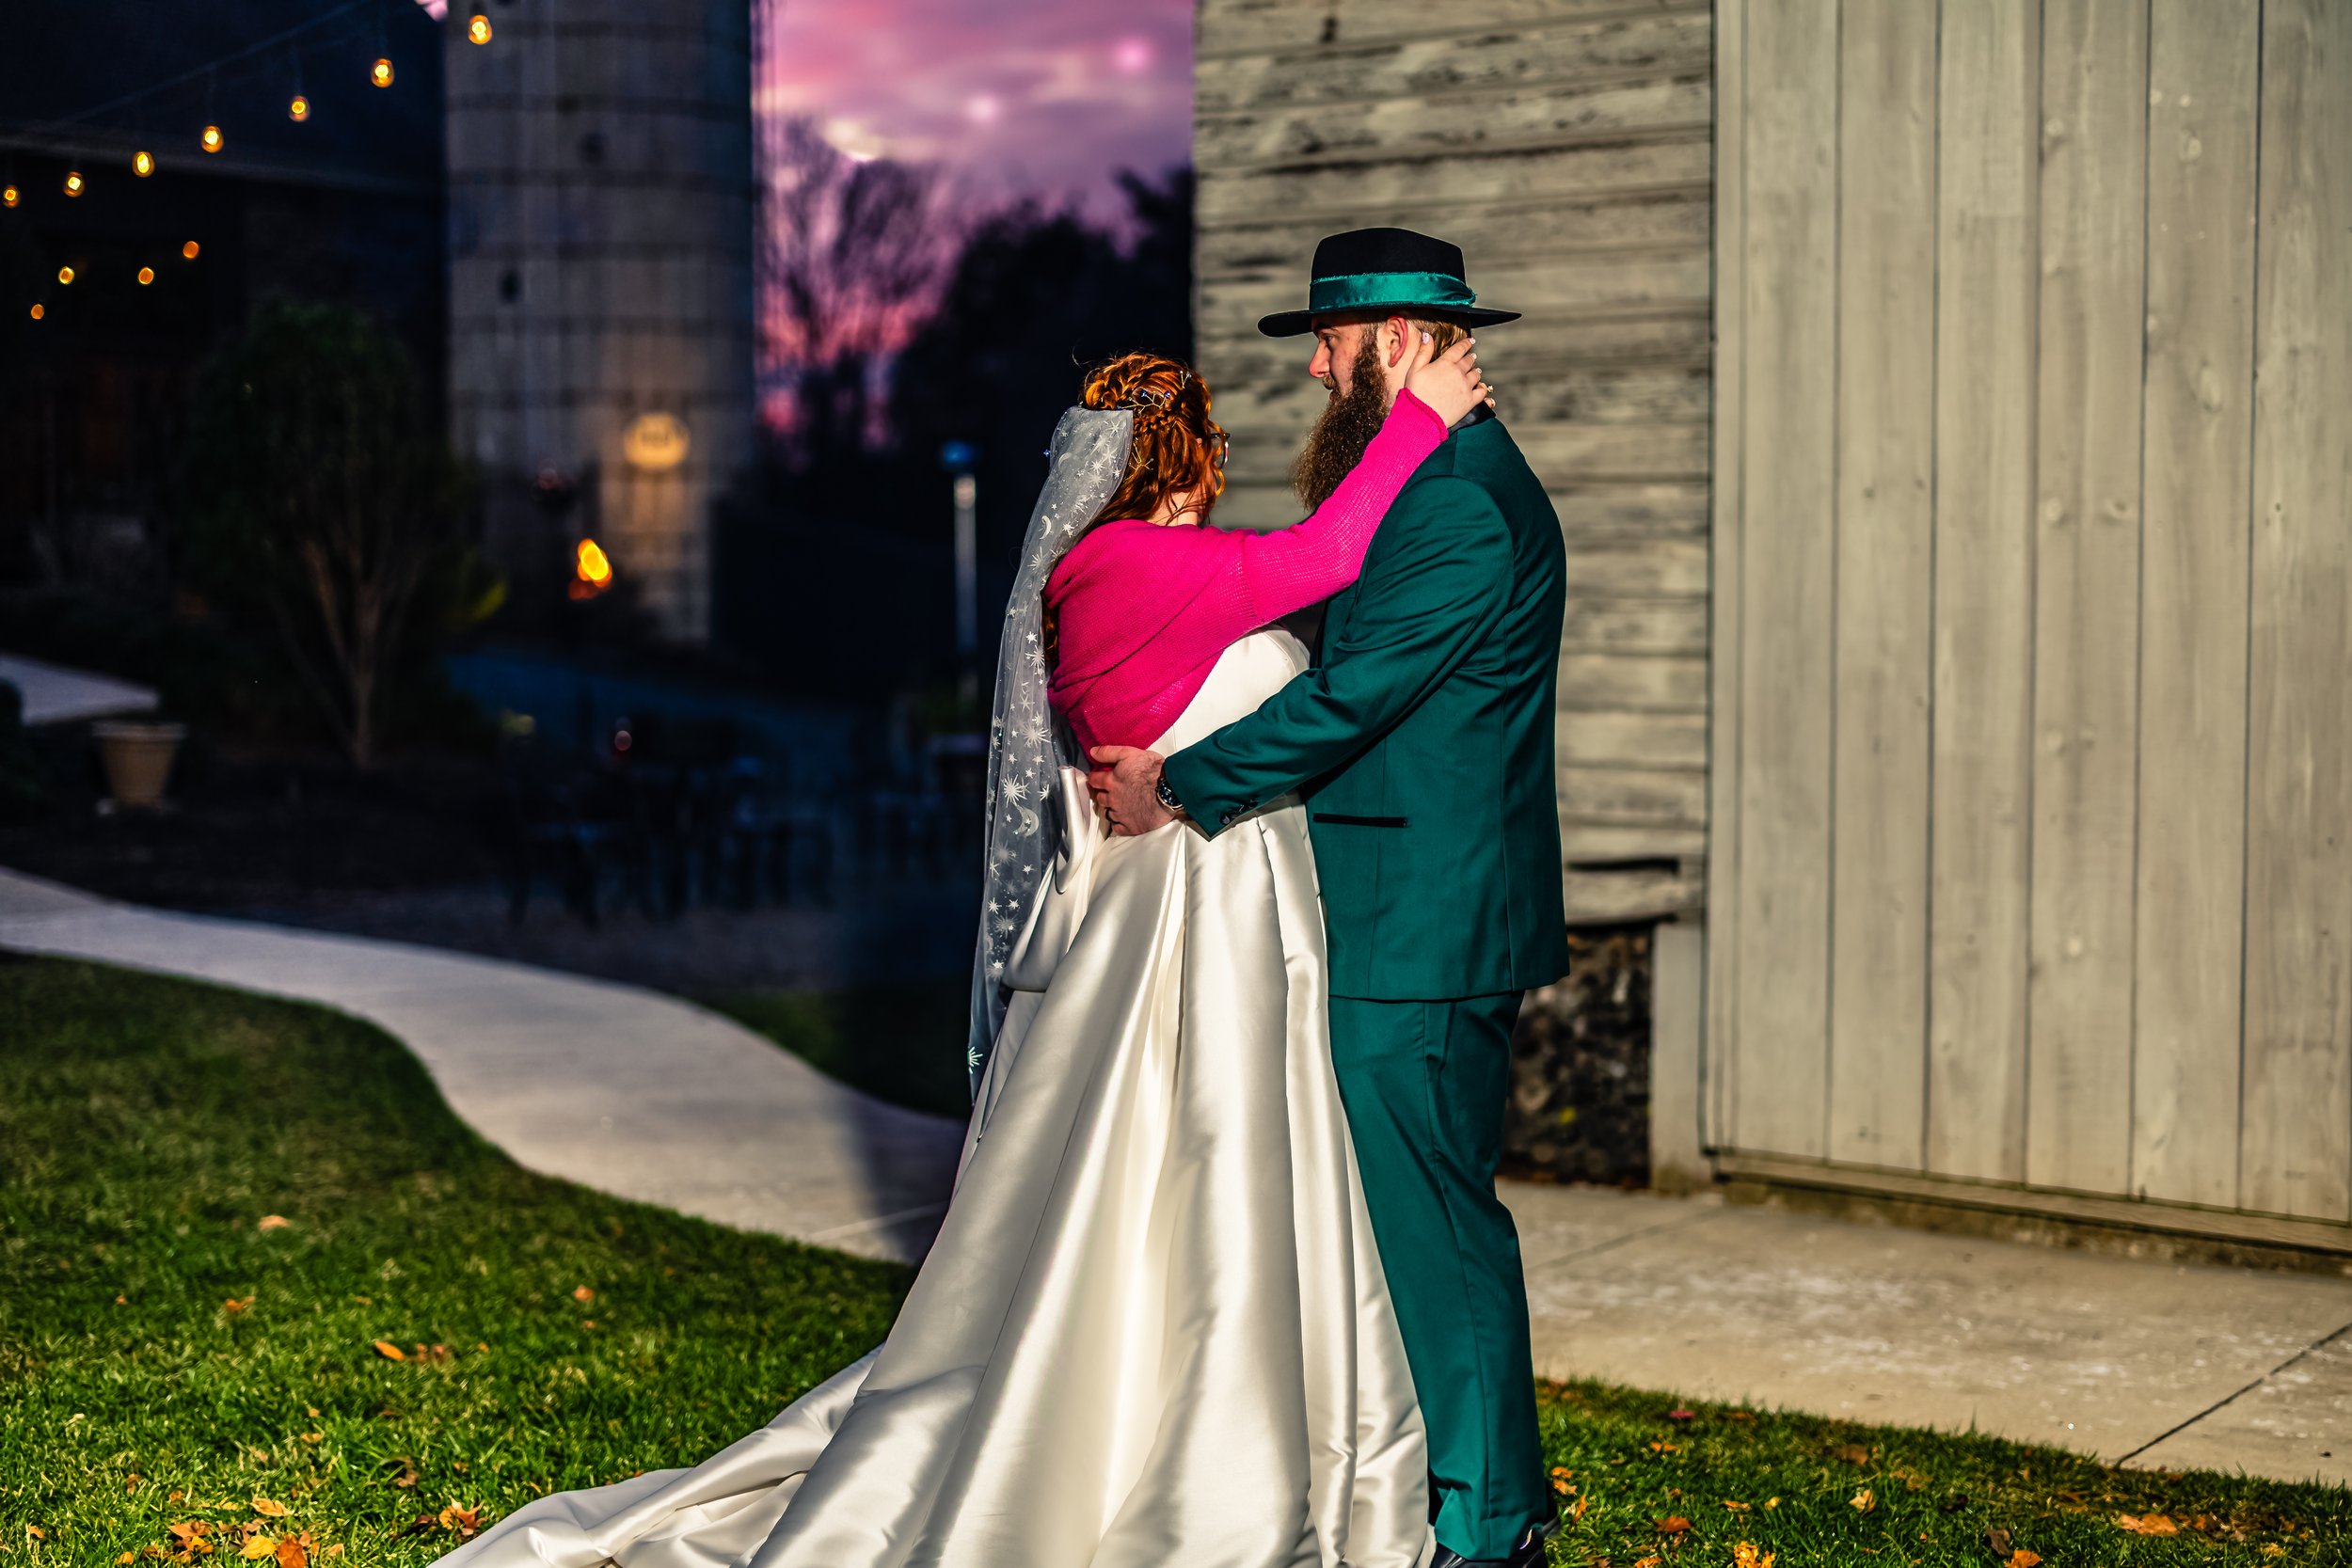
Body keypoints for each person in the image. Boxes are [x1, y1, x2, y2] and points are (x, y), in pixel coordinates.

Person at [436, 326, 1494, 1567]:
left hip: (1173, 913)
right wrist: (1420, 411)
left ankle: (1174, 1411)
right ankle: (1206, 1449)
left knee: (1150, 1191)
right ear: (1183, 461)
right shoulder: (1149, 571)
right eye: (1208, 452)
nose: (1220, 477)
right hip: (1201, 920)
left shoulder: (1091, 578)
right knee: (1213, 1174)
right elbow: (1330, 553)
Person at [1090, 227, 1572, 1568]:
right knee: (1412, 1217)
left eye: (1331, 341)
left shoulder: (1461, 504)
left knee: (1438, 1224)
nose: (1312, 367)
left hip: (1422, 918)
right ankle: (1458, 1493)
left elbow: (1353, 698)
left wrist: (1178, 783)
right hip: (1405, 903)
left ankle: (1487, 1530)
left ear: (1402, 345)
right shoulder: (1428, 483)